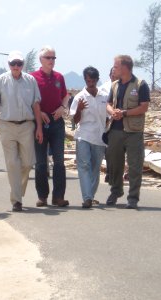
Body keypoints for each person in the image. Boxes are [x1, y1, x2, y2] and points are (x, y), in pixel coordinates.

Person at [0, 50, 43, 212]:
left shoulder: (30, 80)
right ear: (9, 64)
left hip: (27, 125)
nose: (16, 66)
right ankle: (17, 200)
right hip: (7, 125)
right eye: (13, 63)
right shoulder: (0, 81)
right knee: (12, 163)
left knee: (27, 163)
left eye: (19, 63)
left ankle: (17, 192)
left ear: (23, 65)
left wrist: (39, 127)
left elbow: (36, 104)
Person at [106, 55, 150, 209]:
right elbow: (108, 104)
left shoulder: (140, 85)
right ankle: (116, 191)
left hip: (133, 131)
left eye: (116, 66)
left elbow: (144, 107)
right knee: (114, 164)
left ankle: (133, 197)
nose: (114, 69)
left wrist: (124, 113)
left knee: (135, 165)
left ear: (125, 67)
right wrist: (113, 112)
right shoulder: (115, 85)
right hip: (115, 130)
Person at [31, 46, 69, 207]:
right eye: (48, 58)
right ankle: (42, 196)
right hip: (39, 123)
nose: (51, 61)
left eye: (53, 58)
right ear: (41, 60)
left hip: (57, 122)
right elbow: (30, 100)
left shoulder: (59, 77)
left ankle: (58, 196)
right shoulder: (32, 78)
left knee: (59, 161)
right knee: (40, 162)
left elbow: (65, 96)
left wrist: (63, 107)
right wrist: (39, 114)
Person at [69, 67, 108, 208]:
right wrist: (79, 109)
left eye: (92, 80)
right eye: (87, 80)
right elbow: (75, 120)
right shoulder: (80, 97)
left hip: (99, 137)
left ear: (97, 80)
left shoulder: (104, 96)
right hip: (84, 135)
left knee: (95, 168)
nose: (90, 83)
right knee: (84, 166)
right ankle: (87, 197)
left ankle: (90, 195)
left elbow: (108, 117)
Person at [100, 67, 118, 184]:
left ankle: (115, 173)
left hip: (119, 121)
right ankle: (109, 173)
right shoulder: (103, 88)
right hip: (106, 122)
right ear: (109, 75)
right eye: (112, 74)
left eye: (116, 74)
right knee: (108, 149)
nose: (114, 76)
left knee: (118, 149)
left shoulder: (123, 86)